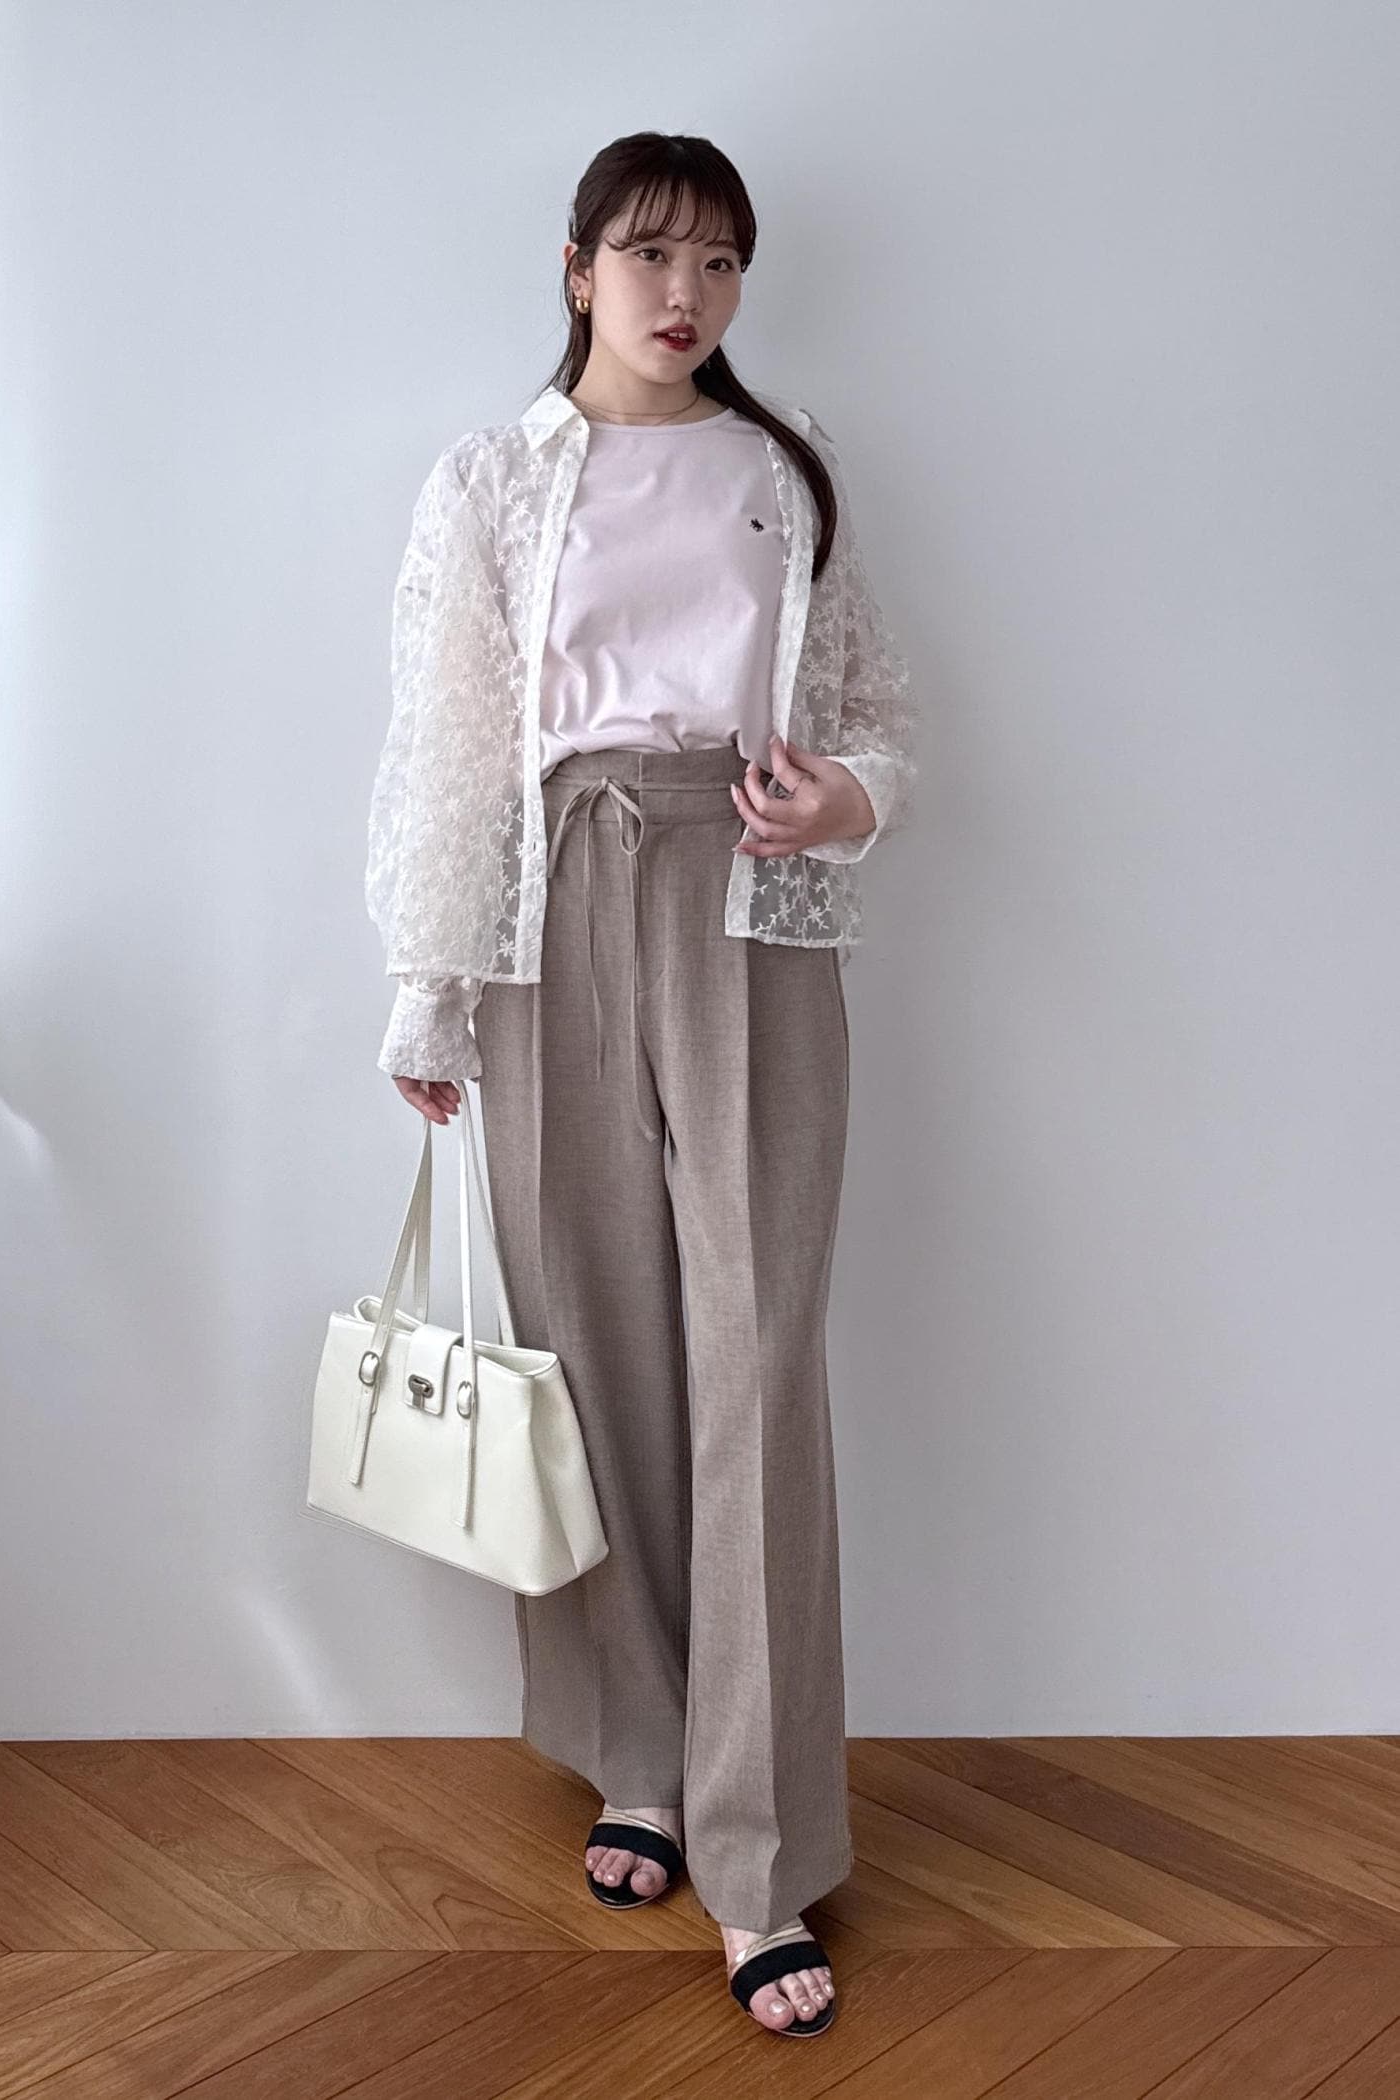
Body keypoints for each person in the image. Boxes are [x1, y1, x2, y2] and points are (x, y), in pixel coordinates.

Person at [365, 129, 917, 2040]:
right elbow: (448, 740)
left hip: (750, 907)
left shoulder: (786, 469)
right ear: (579, 266)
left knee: (756, 1361)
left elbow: (874, 717)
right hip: (547, 912)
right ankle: (640, 1761)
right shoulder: (494, 479)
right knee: (591, 1350)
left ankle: (765, 1854)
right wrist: (431, 992)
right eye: (651, 253)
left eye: (720, 262)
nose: (687, 294)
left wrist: (849, 800)